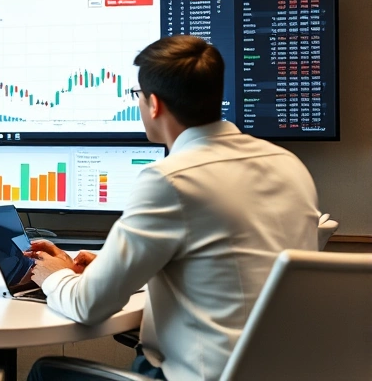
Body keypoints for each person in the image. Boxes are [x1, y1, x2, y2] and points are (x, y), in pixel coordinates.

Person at [26, 35, 319, 381]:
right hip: (282, 372)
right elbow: (219, 264)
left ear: (154, 105)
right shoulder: (290, 166)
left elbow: (88, 307)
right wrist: (109, 265)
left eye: (136, 95)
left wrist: (53, 276)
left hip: (201, 375)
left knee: (45, 372)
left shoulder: (171, 179)